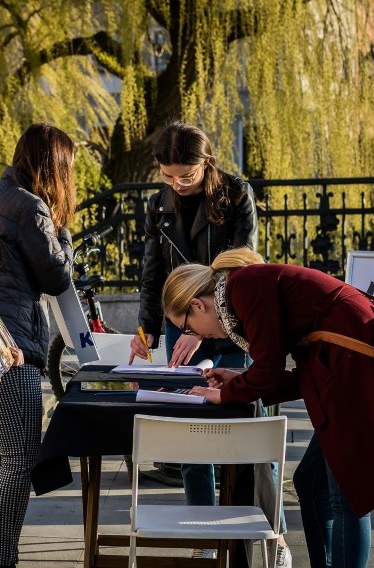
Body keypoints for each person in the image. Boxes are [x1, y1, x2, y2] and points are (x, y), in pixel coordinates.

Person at [162, 248, 374, 568]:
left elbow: (269, 370)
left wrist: (225, 395)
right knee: (310, 483)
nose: (197, 336)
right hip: (347, 372)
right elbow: (297, 376)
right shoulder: (246, 288)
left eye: (188, 327)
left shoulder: (243, 286)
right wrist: (238, 380)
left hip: (355, 373)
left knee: (348, 498)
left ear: (198, 305)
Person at [126, 121, 287, 562]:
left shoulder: (236, 194)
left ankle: (275, 535)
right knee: (192, 431)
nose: (176, 184)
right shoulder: (159, 203)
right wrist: (147, 330)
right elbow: (152, 271)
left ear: (207, 163)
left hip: (232, 317)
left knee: (253, 430)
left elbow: (242, 265)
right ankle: (203, 536)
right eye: (167, 175)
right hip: (184, 320)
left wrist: (204, 326)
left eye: (186, 176)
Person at [0, 123, 77, 568]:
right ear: (54, 166)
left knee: (2, 456)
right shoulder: (29, 208)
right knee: (19, 460)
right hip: (13, 348)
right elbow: (56, 277)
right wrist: (63, 235)